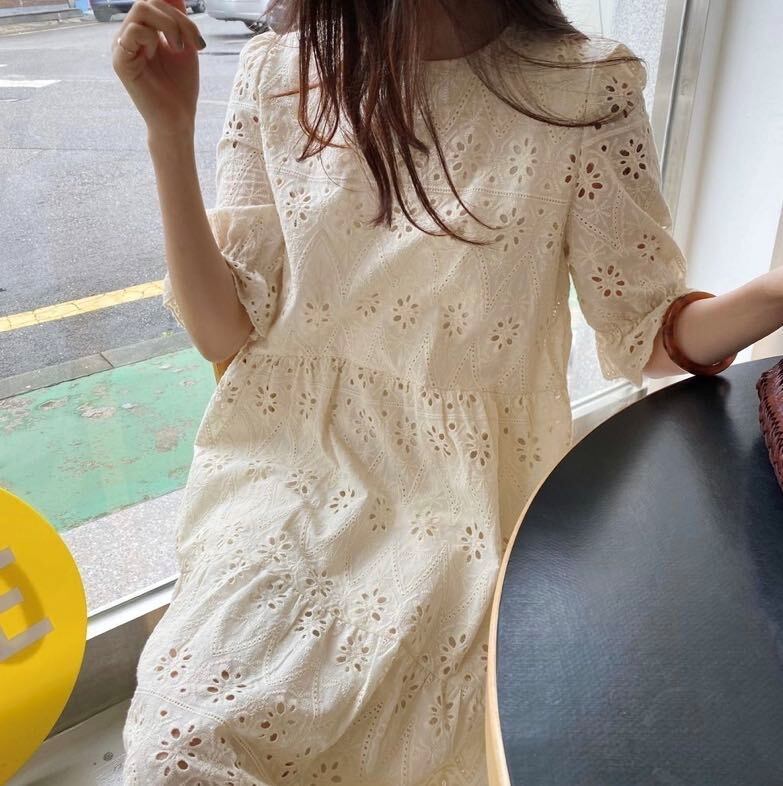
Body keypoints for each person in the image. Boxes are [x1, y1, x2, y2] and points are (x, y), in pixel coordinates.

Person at [112, 0, 783, 783]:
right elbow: (225, 332)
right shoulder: (276, 72)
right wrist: (168, 132)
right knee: (182, 748)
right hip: (282, 466)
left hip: (470, 490)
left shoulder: (583, 88)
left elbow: (646, 331)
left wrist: (774, 290)